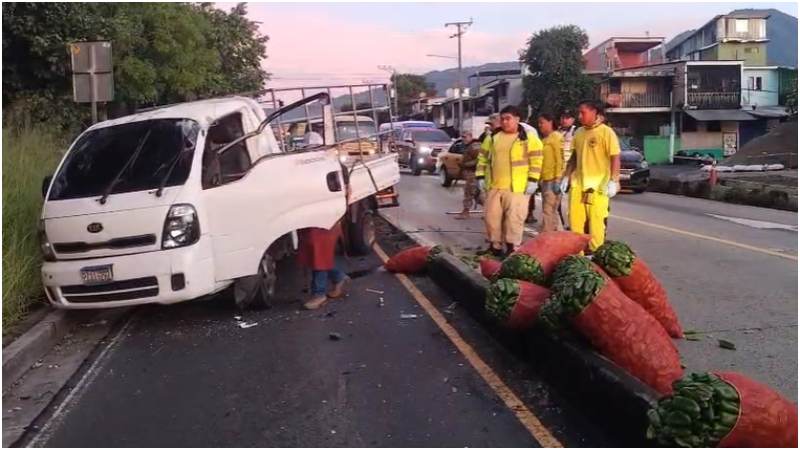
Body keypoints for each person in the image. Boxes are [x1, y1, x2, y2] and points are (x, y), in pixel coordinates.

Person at [476, 105, 543, 257]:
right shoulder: (493, 137)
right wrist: (480, 177)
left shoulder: (528, 138)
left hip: (517, 188)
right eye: (502, 119)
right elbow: (482, 158)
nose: (505, 122)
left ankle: (513, 248)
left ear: (517, 119)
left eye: (508, 119)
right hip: (494, 186)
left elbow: (537, 161)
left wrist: (533, 180)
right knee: (491, 218)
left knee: (514, 220)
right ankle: (495, 247)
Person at [560, 100, 621, 253]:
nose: (579, 116)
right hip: (578, 185)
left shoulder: (606, 132)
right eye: (579, 112)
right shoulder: (579, 133)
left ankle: (596, 256)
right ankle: (578, 258)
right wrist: (566, 176)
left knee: (596, 225)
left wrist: (614, 180)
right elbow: (574, 157)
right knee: (575, 224)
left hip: (598, 187)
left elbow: (615, 157)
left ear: (595, 112)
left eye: (583, 112)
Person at [297, 220, 350, 310]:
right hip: (312, 222)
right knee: (316, 255)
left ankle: (319, 294)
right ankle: (339, 277)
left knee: (319, 255)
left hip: (323, 222)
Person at [537, 113, 564, 232]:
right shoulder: (544, 140)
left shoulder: (556, 137)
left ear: (550, 122)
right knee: (551, 211)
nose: (540, 126)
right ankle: (558, 238)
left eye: (542, 122)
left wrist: (558, 179)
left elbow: (560, 160)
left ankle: (547, 236)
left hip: (553, 180)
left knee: (549, 211)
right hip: (545, 179)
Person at [557, 109, 578, 230]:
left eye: (567, 118)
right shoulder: (558, 131)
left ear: (573, 119)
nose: (564, 120)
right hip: (560, 170)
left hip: (572, 169)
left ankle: (574, 223)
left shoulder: (576, 132)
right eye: (563, 117)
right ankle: (559, 222)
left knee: (573, 199)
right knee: (557, 200)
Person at [456, 131, 482, 219]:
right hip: (471, 173)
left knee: (469, 192)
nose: (463, 139)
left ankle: (465, 212)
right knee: (477, 194)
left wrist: (466, 164)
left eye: (465, 137)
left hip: (474, 173)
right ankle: (490, 211)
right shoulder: (469, 146)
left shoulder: (475, 146)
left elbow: (479, 159)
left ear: (470, 136)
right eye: (462, 137)